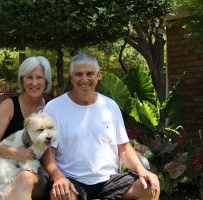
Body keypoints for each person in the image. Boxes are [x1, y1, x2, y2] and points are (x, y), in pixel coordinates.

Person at [42, 52, 160, 200]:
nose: (84, 79)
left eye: (89, 74)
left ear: (98, 75)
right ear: (71, 77)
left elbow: (123, 148)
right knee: (61, 195)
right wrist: (58, 177)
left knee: (150, 188)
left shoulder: (110, 106)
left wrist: (142, 170)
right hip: (72, 180)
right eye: (78, 74)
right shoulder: (54, 108)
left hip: (109, 181)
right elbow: (48, 151)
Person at [0, 56, 52, 200]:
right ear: (22, 80)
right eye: (29, 77)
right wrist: (18, 153)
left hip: (37, 177)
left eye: (39, 77)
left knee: (26, 177)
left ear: (46, 81)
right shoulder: (9, 106)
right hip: (3, 177)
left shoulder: (51, 108)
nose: (34, 83)